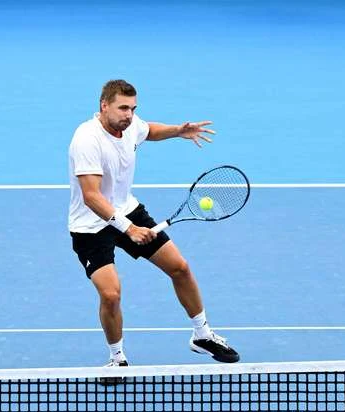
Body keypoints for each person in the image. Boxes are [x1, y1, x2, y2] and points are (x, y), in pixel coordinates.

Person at [68, 80, 239, 370]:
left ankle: (202, 335)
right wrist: (129, 229)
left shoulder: (130, 125)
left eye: (133, 109)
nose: (129, 115)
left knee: (180, 268)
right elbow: (91, 197)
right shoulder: (86, 139)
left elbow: (148, 131)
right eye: (123, 108)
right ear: (104, 105)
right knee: (110, 294)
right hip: (91, 225)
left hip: (127, 209)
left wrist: (178, 131)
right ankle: (117, 359)